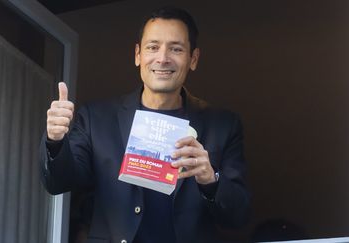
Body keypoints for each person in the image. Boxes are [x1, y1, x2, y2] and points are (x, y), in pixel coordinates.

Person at [40, 6, 250, 243]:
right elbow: (59, 183)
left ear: (193, 59)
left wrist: (210, 180)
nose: (162, 58)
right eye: (152, 47)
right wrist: (55, 141)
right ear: (138, 55)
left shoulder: (223, 126)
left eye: (176, 49)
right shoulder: (97, 118)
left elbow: (237, 216)